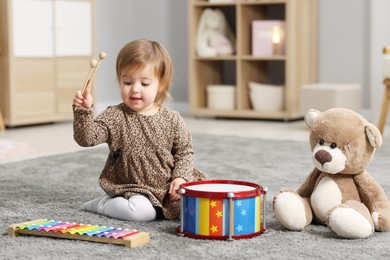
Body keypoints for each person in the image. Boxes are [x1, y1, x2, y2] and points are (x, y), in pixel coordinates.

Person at [72, 39, 208, 222]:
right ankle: (102, 204)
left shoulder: (172, 118)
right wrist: (83, 112)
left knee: (202, 204)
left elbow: (185, 152)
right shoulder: (115, 115)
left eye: (144, 84)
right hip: (135, 187)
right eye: (127, 82)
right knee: (142, 213)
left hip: (169, 186)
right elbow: (87, 139)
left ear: (160, 84)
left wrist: (181, 178)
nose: (135, 90)